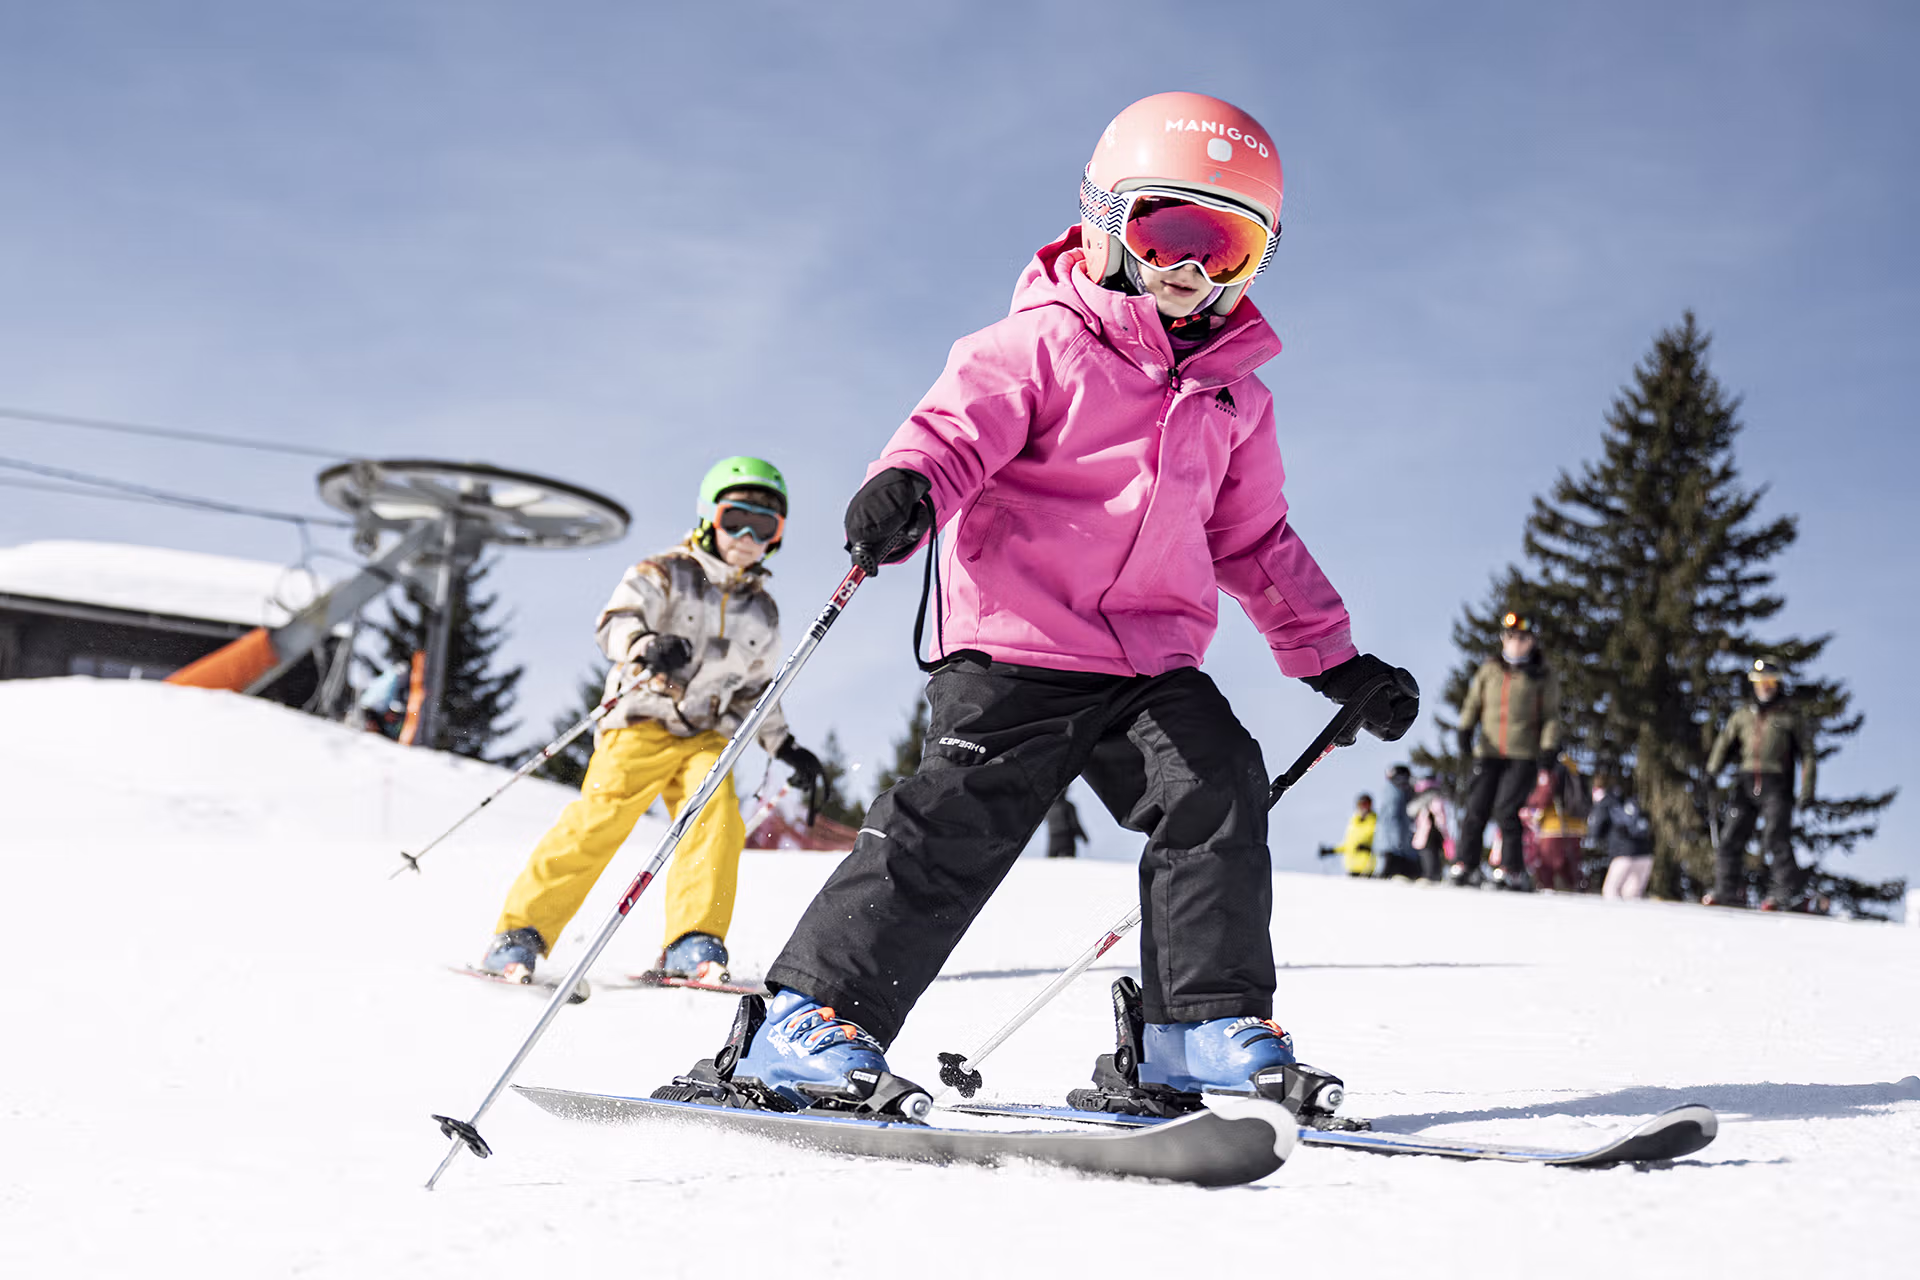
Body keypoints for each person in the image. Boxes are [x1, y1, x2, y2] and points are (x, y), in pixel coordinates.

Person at [717, 91, 1420, 1109]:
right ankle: (805, 1017)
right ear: (1106, 221)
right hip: (1016, 643)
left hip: (1146, 664)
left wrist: (1334, 658)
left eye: (1229, 248)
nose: (1193, 269)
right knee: (957, 818)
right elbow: (953, 431)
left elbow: (1254, 540)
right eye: (1170, 231)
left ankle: (1192, 1024)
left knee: (1216, 780)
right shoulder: (1039, 342)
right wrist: (910, 482)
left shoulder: (1235, 398)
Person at [478, 458, 825, 985]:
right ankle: (520, 934)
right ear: (711, 519)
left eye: (765, 526)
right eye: (737, 520)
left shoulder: (763, 612)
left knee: (717, 819)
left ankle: (692, 942)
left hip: (706, 732)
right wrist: (644, 644)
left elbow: (758, 691)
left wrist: (784, 746)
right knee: (600, 819)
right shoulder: (665, 571)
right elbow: (615, 620)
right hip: (640, 719)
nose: (748, 536)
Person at [1452, 612, 1561, 890]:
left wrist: (1548, 748)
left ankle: (1512, 870)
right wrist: (1465, 728)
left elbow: (1551, 716)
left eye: (1522, 638)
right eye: (1511, 637)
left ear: (1531, 641)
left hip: (1522, 754)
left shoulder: (1541, 674)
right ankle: (1466, 865)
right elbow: (1473, 701)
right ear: (1503, 639)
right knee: (1476, 808)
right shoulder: (1490, 669)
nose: (1515, 643)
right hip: (1487, 751)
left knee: (1506, 810)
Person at [1703, 658, 1817, 910]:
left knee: (1776, 837)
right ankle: (1726, 890)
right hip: (1745, 783)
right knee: (1731, 836)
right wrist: (1712, 770)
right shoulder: (1742, 715)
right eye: (1759, 682)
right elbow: (1724, 743)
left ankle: (1784, 893)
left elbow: (1807, 754)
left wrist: (1807, 790)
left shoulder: (1790, 716)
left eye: (1769, 682)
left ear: (1777, 683)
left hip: (1777, 783)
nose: (1764, 687)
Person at [1587, 771, 1654, 899]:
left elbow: (1596, 826)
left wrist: (1592, 838)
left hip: (1624, 853)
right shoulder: (1627, 800)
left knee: (1610, 891)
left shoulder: (1605, 802)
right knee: (1632, 895)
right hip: (1645, 853)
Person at [1373, 764, 1423, 880]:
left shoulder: (1396, 793)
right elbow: (1393, 819)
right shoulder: (1395, 794)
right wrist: (1398, 841)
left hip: (1395, 846)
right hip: (1395, 847)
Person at [1318, 794, 1378, 877]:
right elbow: (1348, 845)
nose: (1363, 807)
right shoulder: (1354, 823)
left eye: (1366, 804)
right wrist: (1331, 850)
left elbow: (1382, 844)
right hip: (1351, 868)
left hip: (1367, 869)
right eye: (1361, 804)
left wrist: (1368, 847)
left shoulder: (1376, 822)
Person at [1408, 775, 1452, 881]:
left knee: (1430, 860)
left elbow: (1440, 818)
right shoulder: (1432, 800)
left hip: (1429, 836)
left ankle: (1431, 878)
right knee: (1431, 859)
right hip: (1429, 836)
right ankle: (1431, 877)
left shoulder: (1433, 800)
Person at [1044, 793, 1087, 858]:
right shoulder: (1068, 805)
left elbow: (1045, 819)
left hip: (1053, 839)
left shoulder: (1049, 807)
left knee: (1051, 865)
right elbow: (1074, 823)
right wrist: (1083, 836)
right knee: (1068, 864)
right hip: (1067, 839)